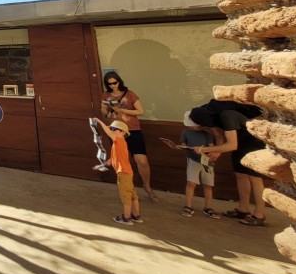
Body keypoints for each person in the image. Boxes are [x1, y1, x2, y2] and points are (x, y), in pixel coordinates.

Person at [188, 98, 267, 226]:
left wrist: (204, 149)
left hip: (254, 143)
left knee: (255, 178)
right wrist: (217, 151)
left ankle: (259, 214)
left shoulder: (227, 115)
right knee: (240, 175)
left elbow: (231, 145)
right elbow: (220, 137)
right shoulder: (215, 116)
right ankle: (243, 208)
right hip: (242, 143)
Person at [100, 71, 158, 203]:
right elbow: (103, 110)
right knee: (122, 162)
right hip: (116, 131)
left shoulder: (130, 93)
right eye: (110, 84)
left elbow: (140, 111)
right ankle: (128, 190)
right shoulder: (105, 95)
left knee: (142, 160)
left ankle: (147, 185)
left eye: (115, 83)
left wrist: (123, 110)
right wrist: (108, 110)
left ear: (119, 81)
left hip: (132, 129)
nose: (113, 86)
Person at [161, 110, 220, 218]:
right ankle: (188, 205)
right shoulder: (186, 132)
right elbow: (183, 145)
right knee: (191, 183)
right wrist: (175, 146)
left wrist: (205, 151)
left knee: (208, 185)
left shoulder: (207, 134)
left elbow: (211, 146)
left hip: (207, 162)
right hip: (193, 159)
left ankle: (208, 207)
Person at [94, 118, 141, 225]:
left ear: (123, 133)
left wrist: (100, 122)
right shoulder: (118, 143)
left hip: (123, 173)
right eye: (112, 129)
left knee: (126, 196)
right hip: (127, 173)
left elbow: (107, 132)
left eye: (115, 129)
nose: (112, 130)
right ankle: (136, 216)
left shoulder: (118, 140)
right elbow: (112, 159)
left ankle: (126, 218)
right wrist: (101, 165)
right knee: (132, 195)